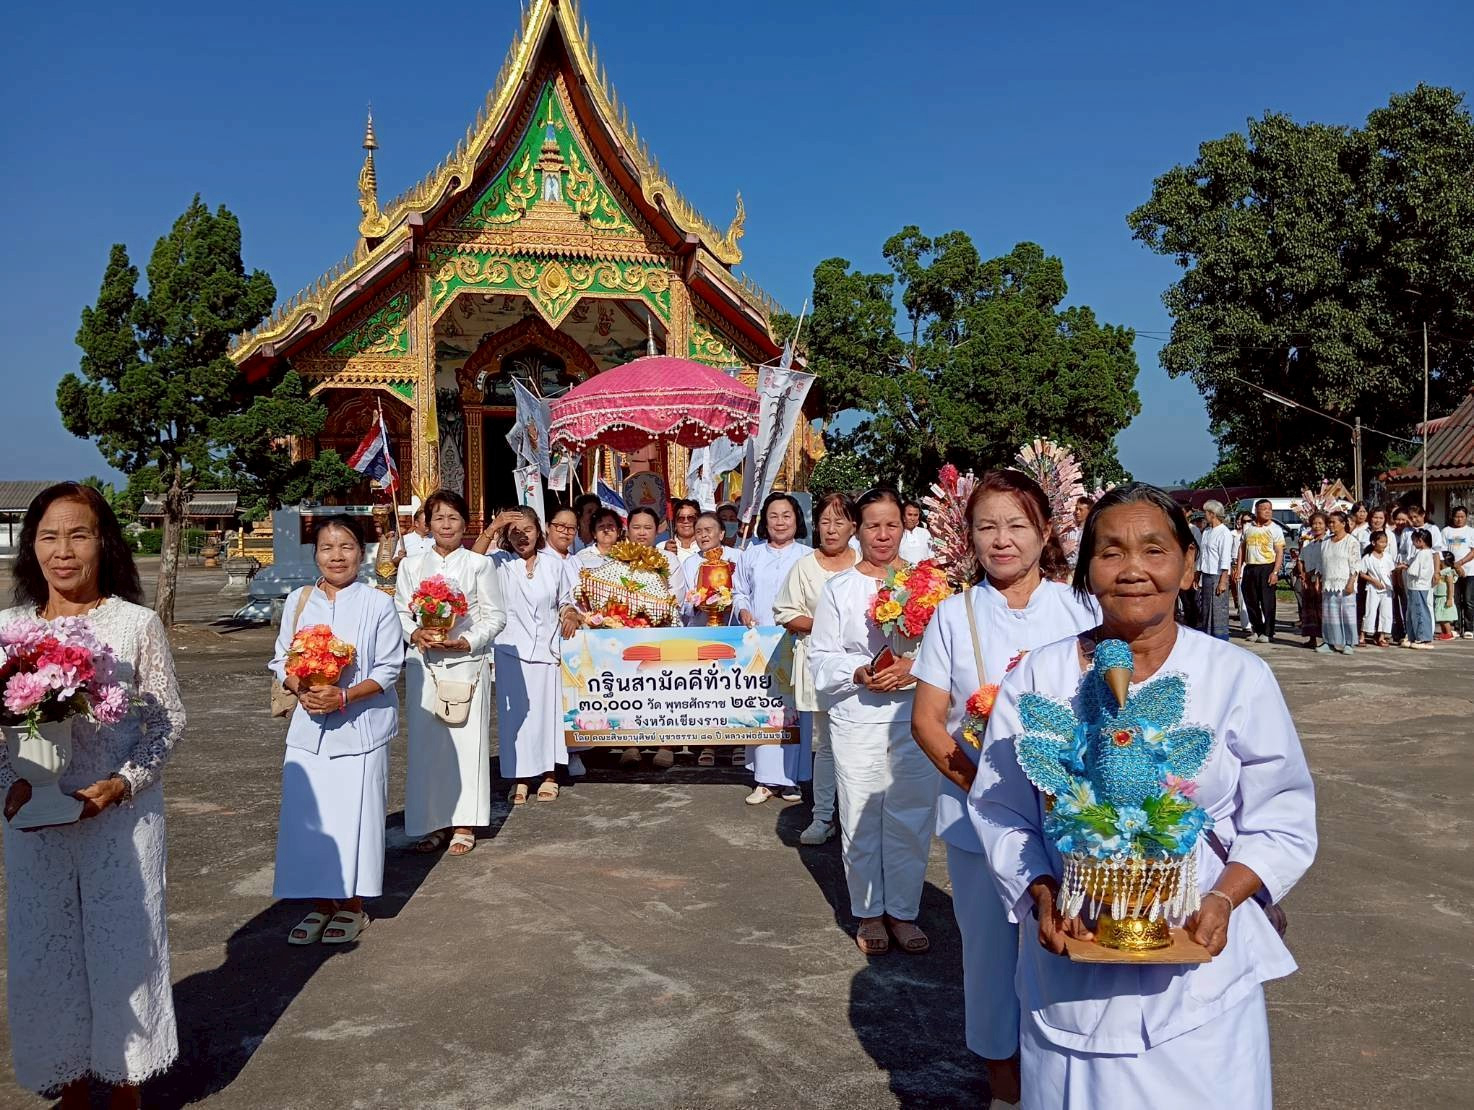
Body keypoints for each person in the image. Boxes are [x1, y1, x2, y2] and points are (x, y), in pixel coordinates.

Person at [971, 483, 1317, 1108]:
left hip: (1200, 977)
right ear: (1086, 573)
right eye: (1110, 552)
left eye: (1154, 550)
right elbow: (1001, 811)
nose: (1133, 569)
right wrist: (1041, 891)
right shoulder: (1038, 677)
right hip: (1071, 968)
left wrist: (1224, 898)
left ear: (1188, 566)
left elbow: (1282, 818)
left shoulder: (1237, 676)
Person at [910, 470, 1097, 1103]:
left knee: (1063, 945)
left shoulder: (1081, 609)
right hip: (975, 823)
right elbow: (929, 721)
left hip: (1074, 818)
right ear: (969, 536)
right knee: (988, 954)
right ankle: (1002, 1076)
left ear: (1046, 531)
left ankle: (1064, 1073)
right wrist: (980, 786)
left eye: (1017, 525)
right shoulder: (952, 616)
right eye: (987, 526)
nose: (1002, 540)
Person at [1, 482, 186, 1107]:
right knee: (44, 952)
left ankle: (125, 1081)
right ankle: (71, 1079)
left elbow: (166, 721)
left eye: (78, 534)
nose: (63, 550)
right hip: (34, 822)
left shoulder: (134, 626)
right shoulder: (9, 630)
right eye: (49, 536)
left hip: (119, 821)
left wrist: (123, 783)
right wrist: (12, 785)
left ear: (103, 542)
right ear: (31, 546)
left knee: (123, 948)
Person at [810, 487, 937, 956]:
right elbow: (821, 656)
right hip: (857, 713)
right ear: (856, 531)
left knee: (911, 813)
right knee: (861, 813)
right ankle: (868, 911)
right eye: (872, 525)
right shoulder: (840, 588)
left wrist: (915, 667)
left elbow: (949, 653)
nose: (882, 535)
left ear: (904, 526)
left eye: (891, 524)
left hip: (914, 714)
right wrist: (858, 672)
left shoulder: (931, 583)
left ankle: (903, 911)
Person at [271, 516, 404, 946]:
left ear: (361, 554)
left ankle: (352, 905)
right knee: (311, 819)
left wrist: (343, 697)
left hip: (360, 728)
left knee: (356, 816)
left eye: (346, 547)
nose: (336, 556)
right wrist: (302, 688)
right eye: (327, 547)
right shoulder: (299, 600)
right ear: (316, 554)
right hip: (308, 729)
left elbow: (388, 668)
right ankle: (320, 902)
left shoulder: (377, 604)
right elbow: (280, 659)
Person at [395, 489, 506, 856]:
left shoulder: (479, 565)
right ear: (427, 523)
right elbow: (398, 611)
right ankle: (433, 822)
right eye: (438, 517)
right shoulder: (411, 565)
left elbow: (495, 616)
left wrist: (468, 641)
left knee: (466, 747)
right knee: (428, 748)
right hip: (424, 666)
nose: (446, 524)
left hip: (466, 665)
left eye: (453, 517)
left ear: (465, 523)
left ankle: (464, 823)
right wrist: (414, 632)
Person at [773, 493, 859, 845]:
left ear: (854, 526)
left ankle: (859, 817)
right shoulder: (805, 567)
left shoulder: (865, 564)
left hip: (862, 666)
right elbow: (785, 612)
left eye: (839, 521)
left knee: (861, 744)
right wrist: (826, 625)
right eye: (825, 521)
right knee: (826, 744)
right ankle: (823, 816)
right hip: (820, 663)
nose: (831, 529)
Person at [483, 508, 573, 802]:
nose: (523, 537)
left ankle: (549, 774)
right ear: (506, 536)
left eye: (528, 530)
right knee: (516, 720)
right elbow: (469, 563)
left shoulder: (553, 565)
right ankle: (520, 777)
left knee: (547, 716)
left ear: (539, 531)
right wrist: (493, 527)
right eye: (515, 532)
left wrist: (569, 613)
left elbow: (565, 601)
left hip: (547, 652)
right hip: (511, 652)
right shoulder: (498, 563)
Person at [735, 492, 815, 802]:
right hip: (760, 644)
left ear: (797, 520)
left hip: (796, 643)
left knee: (794, 711)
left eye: (786, 515)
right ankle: (764, 780)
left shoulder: (808, 556)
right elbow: (740, 592)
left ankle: (791, 778)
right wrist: (743, 610)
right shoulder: (751, 555)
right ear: (764, 522)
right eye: (773, 516)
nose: (780, 522)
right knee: (763, 708)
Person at [1235, 498, 1285, 643]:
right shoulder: (1248, 527)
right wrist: (1239, 568)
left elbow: (1279, 552)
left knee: (1267, 602)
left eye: (1269, 509)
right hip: (1250, 567)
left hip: (1267, 567)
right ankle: (1256, 629)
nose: (1268, 511)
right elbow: (1242, 548)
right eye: (1264, 509)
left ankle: (1268, 632)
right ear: (1256, 511)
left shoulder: (1275, 529)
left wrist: (1275, 572)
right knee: (1250, 600)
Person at [1320, 510, 1359, 655]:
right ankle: (1329, 641)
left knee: (1347, 614)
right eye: (1329, 522)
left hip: (1345, 584)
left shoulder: (1351, 541)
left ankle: (1349, 642)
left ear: (1343, 524)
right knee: (1329, 615)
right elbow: (1322, 563)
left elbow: (1355, 564)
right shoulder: (1325, 542)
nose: (1330, 525)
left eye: (1333, 522)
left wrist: (1351, 582)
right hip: (1328, 583)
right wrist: (1319, 580)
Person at [1193, 500, 1233, 641]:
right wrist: (1197, 574)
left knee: (1217, 608)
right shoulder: (1207, 531)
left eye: (1206, 512)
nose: (1204, 515)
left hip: (1218, 575)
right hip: (1206, 574)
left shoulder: (1224, 533)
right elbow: (1202, 555)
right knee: (1206, 606)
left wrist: (1223, 580)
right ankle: (1208, 636)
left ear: (1213, 514)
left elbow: (1225, 558)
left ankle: (1220, 638)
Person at [1441, 506, 1474, 638]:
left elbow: (1473, 551)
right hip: (1451, 571)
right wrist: (1454, 565)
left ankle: (1469, 628)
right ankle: (1456, 626)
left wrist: (1461, 563)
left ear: (1466, 517)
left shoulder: (1471, 531)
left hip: (1469, 570)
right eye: (1456, 516)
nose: (1459, 519)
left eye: (1462, 517)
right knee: (1453, 600)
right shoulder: (1446, 531)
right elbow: (1443, 551)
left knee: (1468, 600)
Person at [1296, 512, 1327, 650]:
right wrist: (1303, 575)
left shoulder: (1328, 543)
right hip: (1309, 579)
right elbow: (1301, 560)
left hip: (1322, 579)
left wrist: (1319, 578)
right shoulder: (1309, 544)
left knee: (1322, 610)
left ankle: (1326, 639)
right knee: (1309, 610)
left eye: (1320, 523)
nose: (1317, 526)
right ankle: (1312, 638)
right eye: (1314, 523)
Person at [1359, 531, 1395, 647]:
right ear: (1374, 542)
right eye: (1382, 542)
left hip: (1387, 589)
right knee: (1370, 611)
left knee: (1386, 613)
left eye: (1385, 542)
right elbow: (1362, 573)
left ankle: (1382, 636)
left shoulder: (1388, 557)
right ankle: (1363, 635)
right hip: (1372, 588)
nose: (1384, 545)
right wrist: (1374, 581)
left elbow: (1391, 572)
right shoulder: (1367, 557)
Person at [1404, 528, 1436, 650]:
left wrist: (1405, 567)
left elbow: (1414, 570)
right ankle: (1414, 636)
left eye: (1414, 541)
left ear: (1420, 541)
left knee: (1419, 612)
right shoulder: (1425, 553)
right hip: (1416, 586)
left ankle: (1423, 638)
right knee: (1413, 612)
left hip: (1419, 587)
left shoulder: (1423, 553)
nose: (1413, 543)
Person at [664, 499, 701, 563]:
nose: (686, 521)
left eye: (691, 518)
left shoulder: (707, 545)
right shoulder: (661, 547)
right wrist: (666, 555)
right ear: (674, 522)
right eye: (680, 518)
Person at [1062, 496, 1093, 569]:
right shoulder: (1069, 531)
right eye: (1076, 509)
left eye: (1081, 510)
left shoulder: (1090, 532)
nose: (1077, 512)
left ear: (1089, 512)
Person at [899, 498, 933, 564]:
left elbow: (931, 554)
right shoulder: (897, 534)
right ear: (903, 516)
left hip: (925, 572)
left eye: (915, 515)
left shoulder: (925, 533)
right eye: (909, 515)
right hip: (903, 572)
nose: (912, 519)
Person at [1434, 552, 1459, 640]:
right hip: (1438, 597)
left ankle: (1448, 633)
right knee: (1440, 616)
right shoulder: (1440, 572)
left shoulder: (1448, 572)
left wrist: (1449, 598)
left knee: (1445, 617)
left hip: (1444, 597)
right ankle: (1443, 632)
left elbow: (1450, 587)